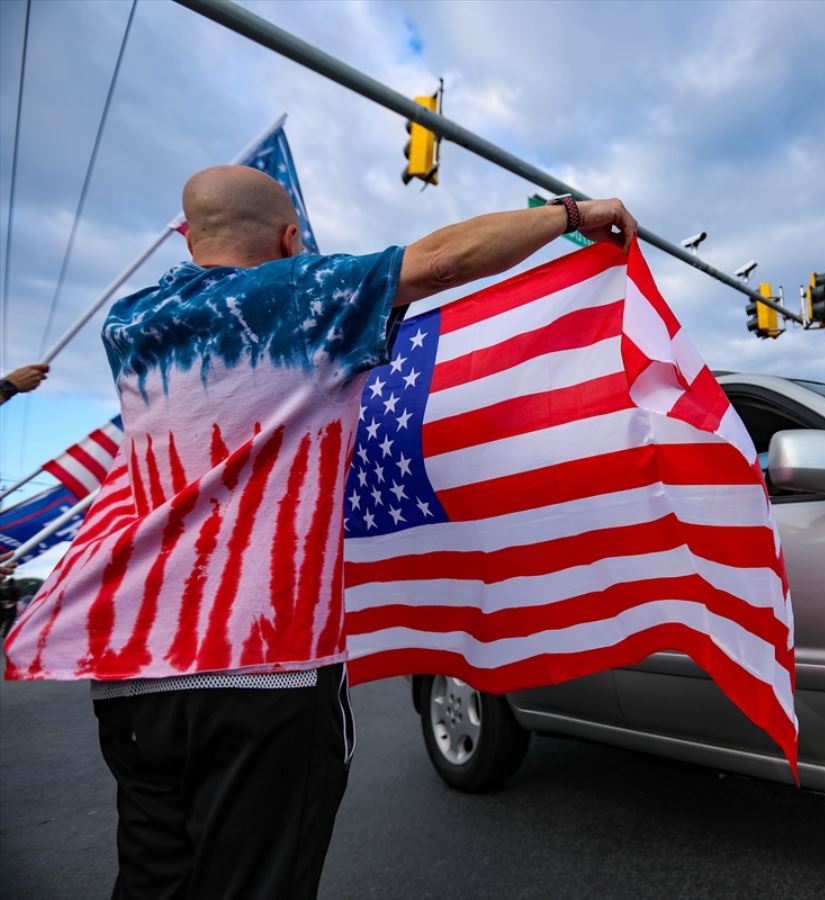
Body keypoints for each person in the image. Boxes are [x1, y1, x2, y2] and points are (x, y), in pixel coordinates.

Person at [2, 165, 636, 900]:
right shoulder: (294, 295)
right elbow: (439, 262)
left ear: (188, 235)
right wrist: (569, 214)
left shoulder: (131, 322)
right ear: (289, 237)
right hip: (262, 670)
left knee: (152, 882)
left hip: (132, 676)